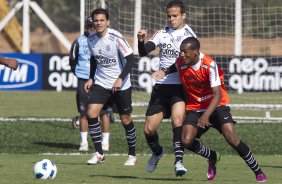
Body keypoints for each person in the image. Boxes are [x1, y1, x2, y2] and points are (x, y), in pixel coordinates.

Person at [153, 37, 268, 182]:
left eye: (185, 52)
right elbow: (174, 67)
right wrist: (163, 72)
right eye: (181, 51)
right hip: (195, 107)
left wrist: (206, 116)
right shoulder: (181, 61)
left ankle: (258, 171)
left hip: (217, 105)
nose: (182, 55)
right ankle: (212, 156)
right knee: (186, 140)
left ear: (195, 52)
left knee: (231, 137)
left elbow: (218, 94)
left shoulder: (209, 64)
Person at [137, 0, 196, 176]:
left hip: (180, 87)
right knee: (149, 129)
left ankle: (179, 162)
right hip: (161, 88)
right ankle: (157, 152)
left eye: (175, 16)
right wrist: (141, 41)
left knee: (177, 121)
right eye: (169, 16)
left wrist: (165, 70)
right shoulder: (162, 33)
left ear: (183, 16)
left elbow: (188, 62)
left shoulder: (189, 36)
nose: (171, 19)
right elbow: (143, 52)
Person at [84, 8, 137, 166]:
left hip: (121, 85)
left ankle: (132, 155)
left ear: (108, 22)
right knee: (91, 113)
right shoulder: (91, 39)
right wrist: (91, 78)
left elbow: (131, 59)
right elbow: (94, 60)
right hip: (101, 83)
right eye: (96, 20)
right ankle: (99, 153)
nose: (99, 23)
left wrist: (120, 79)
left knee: (125, 119)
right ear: (93, 22)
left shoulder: (116, 37)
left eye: (102, 20)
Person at [69, 16, 113, 152]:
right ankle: (83, 142)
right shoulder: (78, 41)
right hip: (83, 80)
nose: (92, 29)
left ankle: (105, 142)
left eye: (93, 27)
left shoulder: (105, 39)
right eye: (89, 27)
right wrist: (80, 75)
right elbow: (72, 60)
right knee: (84, 113)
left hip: (100, 80)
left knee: (103, 112)